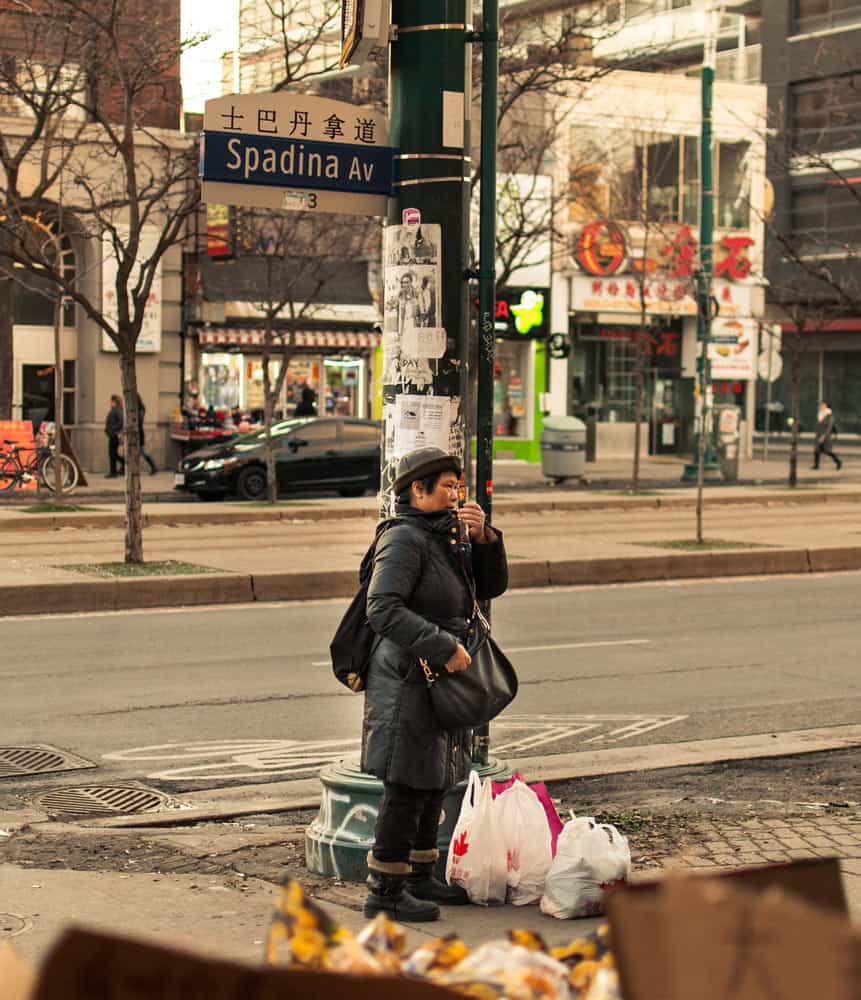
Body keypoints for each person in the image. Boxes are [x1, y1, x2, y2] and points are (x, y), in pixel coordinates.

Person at [361, 446, 509, 922]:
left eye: (456, 486)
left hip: (438, 675)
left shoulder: (446, 536)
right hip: (409, 673)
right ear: (416, 492)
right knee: (406, 781)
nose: (454, 493)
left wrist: (483, 536)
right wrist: (441, 646)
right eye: (445, 486)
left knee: (434, 777)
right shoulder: (404, 538)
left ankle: (422, 875)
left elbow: (491, 587)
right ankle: (384, 891)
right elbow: (382, 607)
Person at [811, 401, 842, 471]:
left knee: (827, 451)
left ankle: (838, 462)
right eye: (821, 405)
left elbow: (829, 428)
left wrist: (824, 436)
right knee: (816, 450)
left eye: (823, 405)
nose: (821, 406)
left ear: (827, 406)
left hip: (826, 436)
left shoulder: (830, 416)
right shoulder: (820, 415)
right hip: (819, 435)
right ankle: (816, 465)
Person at [136, 394, 158, 475]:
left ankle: (153, 466)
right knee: (137, 451)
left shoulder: (140, 408)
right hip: (137, 432)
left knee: (141, 451)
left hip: (138, 432)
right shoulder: (137, 408)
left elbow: (139, 420)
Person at [104, 394, 124, 478]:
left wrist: (112, 429)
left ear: (114, 402)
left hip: (114, 435)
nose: (110, 403)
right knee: (113, 454)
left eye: (111, 401)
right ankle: (123, 464)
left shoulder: (117, 410)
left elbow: (120, 422)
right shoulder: (115, 410)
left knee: (112, 454)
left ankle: (113, 472)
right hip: (112, 434)